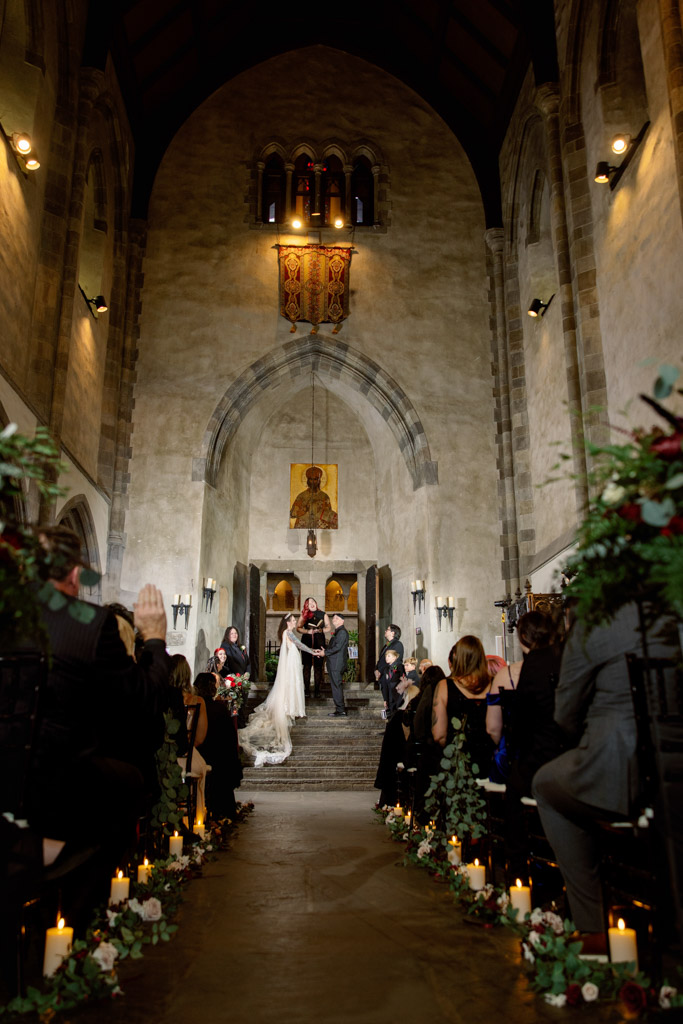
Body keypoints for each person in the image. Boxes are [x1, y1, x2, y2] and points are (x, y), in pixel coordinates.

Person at [532, 604, 676, 949]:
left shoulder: (598, 618)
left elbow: (565, 713)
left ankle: (593, 925)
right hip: (674, 767)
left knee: (546, 785)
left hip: (623, 769)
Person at [486, 611, 565, 881]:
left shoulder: (529, 667)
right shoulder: (565, 659)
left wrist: (512, 753)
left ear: (522, 638)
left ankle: (518, 872)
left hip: (539, 754)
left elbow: (512, 725)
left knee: (514, 796)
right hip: (568, 752)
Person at [239, 613, 309, 765]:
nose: (295, 621)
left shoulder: (287, 633)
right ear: (288, 622)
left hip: (292, 663)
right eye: (293, 620)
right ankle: (288, 707)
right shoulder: (288, 633)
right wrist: (313, 651)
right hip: (291, 665)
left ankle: (290, 707)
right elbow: (299, 644)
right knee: (291, 685)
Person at [431, 635, 494, 778]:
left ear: (456, 657)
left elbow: (439, 735)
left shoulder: (445, 686)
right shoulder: (494, 684)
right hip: (488, 759)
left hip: (457, 762)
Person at [194, 672, 243, 820]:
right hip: (220, 759)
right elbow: (230, 737)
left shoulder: (196, 705)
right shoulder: (218, 708)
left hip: (203, 754)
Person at [168, 655, 209, 823]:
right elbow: (199, 738)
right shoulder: (197, 701)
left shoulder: (162, 697)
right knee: (201, 769)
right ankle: (196, 818)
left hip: (166, 757)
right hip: (186, 756)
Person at [297, 597, 327, 698]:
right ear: (307, 605)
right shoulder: (304, 615)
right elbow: (298, 628)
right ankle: (307, 690)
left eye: (313, 602)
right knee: (307, 666)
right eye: (309, 603)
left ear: (316, 603)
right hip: (307, 641)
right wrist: (307, 631)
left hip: (319, 640)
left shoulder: (323, 614)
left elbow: (328, 627)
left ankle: (317, 691)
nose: (312, 604)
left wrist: (321, 630)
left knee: (318, 666)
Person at [324, 612, 348, 717]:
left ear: (342, 621)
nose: (334, 620)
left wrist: (324, 653)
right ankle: (339, 709)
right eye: (333, 618)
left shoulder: (342, 632)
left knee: (336, 687)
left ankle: (341, 710)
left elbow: (337, 647)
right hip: (334, 664)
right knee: (335, 686)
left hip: (336, 664)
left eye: (337, 618)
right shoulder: (338, 632)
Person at [378, 648, 401, 717]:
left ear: (394, 657)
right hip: (389, 696)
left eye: (389, 656)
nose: (386, 658)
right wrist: (385, 699)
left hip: (397, 695)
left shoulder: (399, 667)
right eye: (386, 656)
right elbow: (384, 685)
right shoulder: (386, 669)